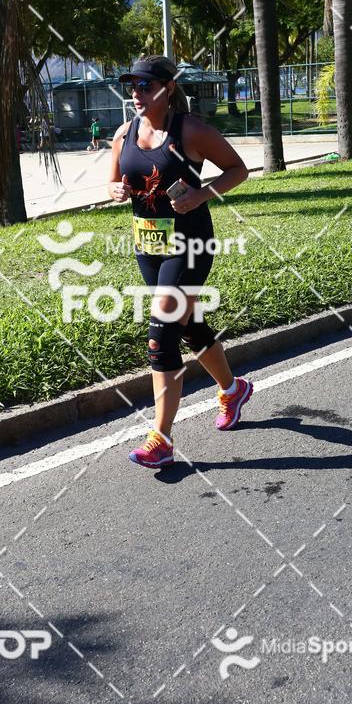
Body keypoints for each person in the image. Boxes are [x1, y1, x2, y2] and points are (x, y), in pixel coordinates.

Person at [108, 55, 252, 469]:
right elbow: (115, 181)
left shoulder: (190, 130)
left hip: (190, 243)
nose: (136, 93)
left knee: (161, 332)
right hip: (148, 245)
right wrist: (117, 191)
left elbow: (238, 169)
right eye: (131, 85)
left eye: (144, 85)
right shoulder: (124, 133)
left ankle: (161, 438)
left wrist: (202, 194)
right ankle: (232, 388)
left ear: (167, 87)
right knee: (188, 324)